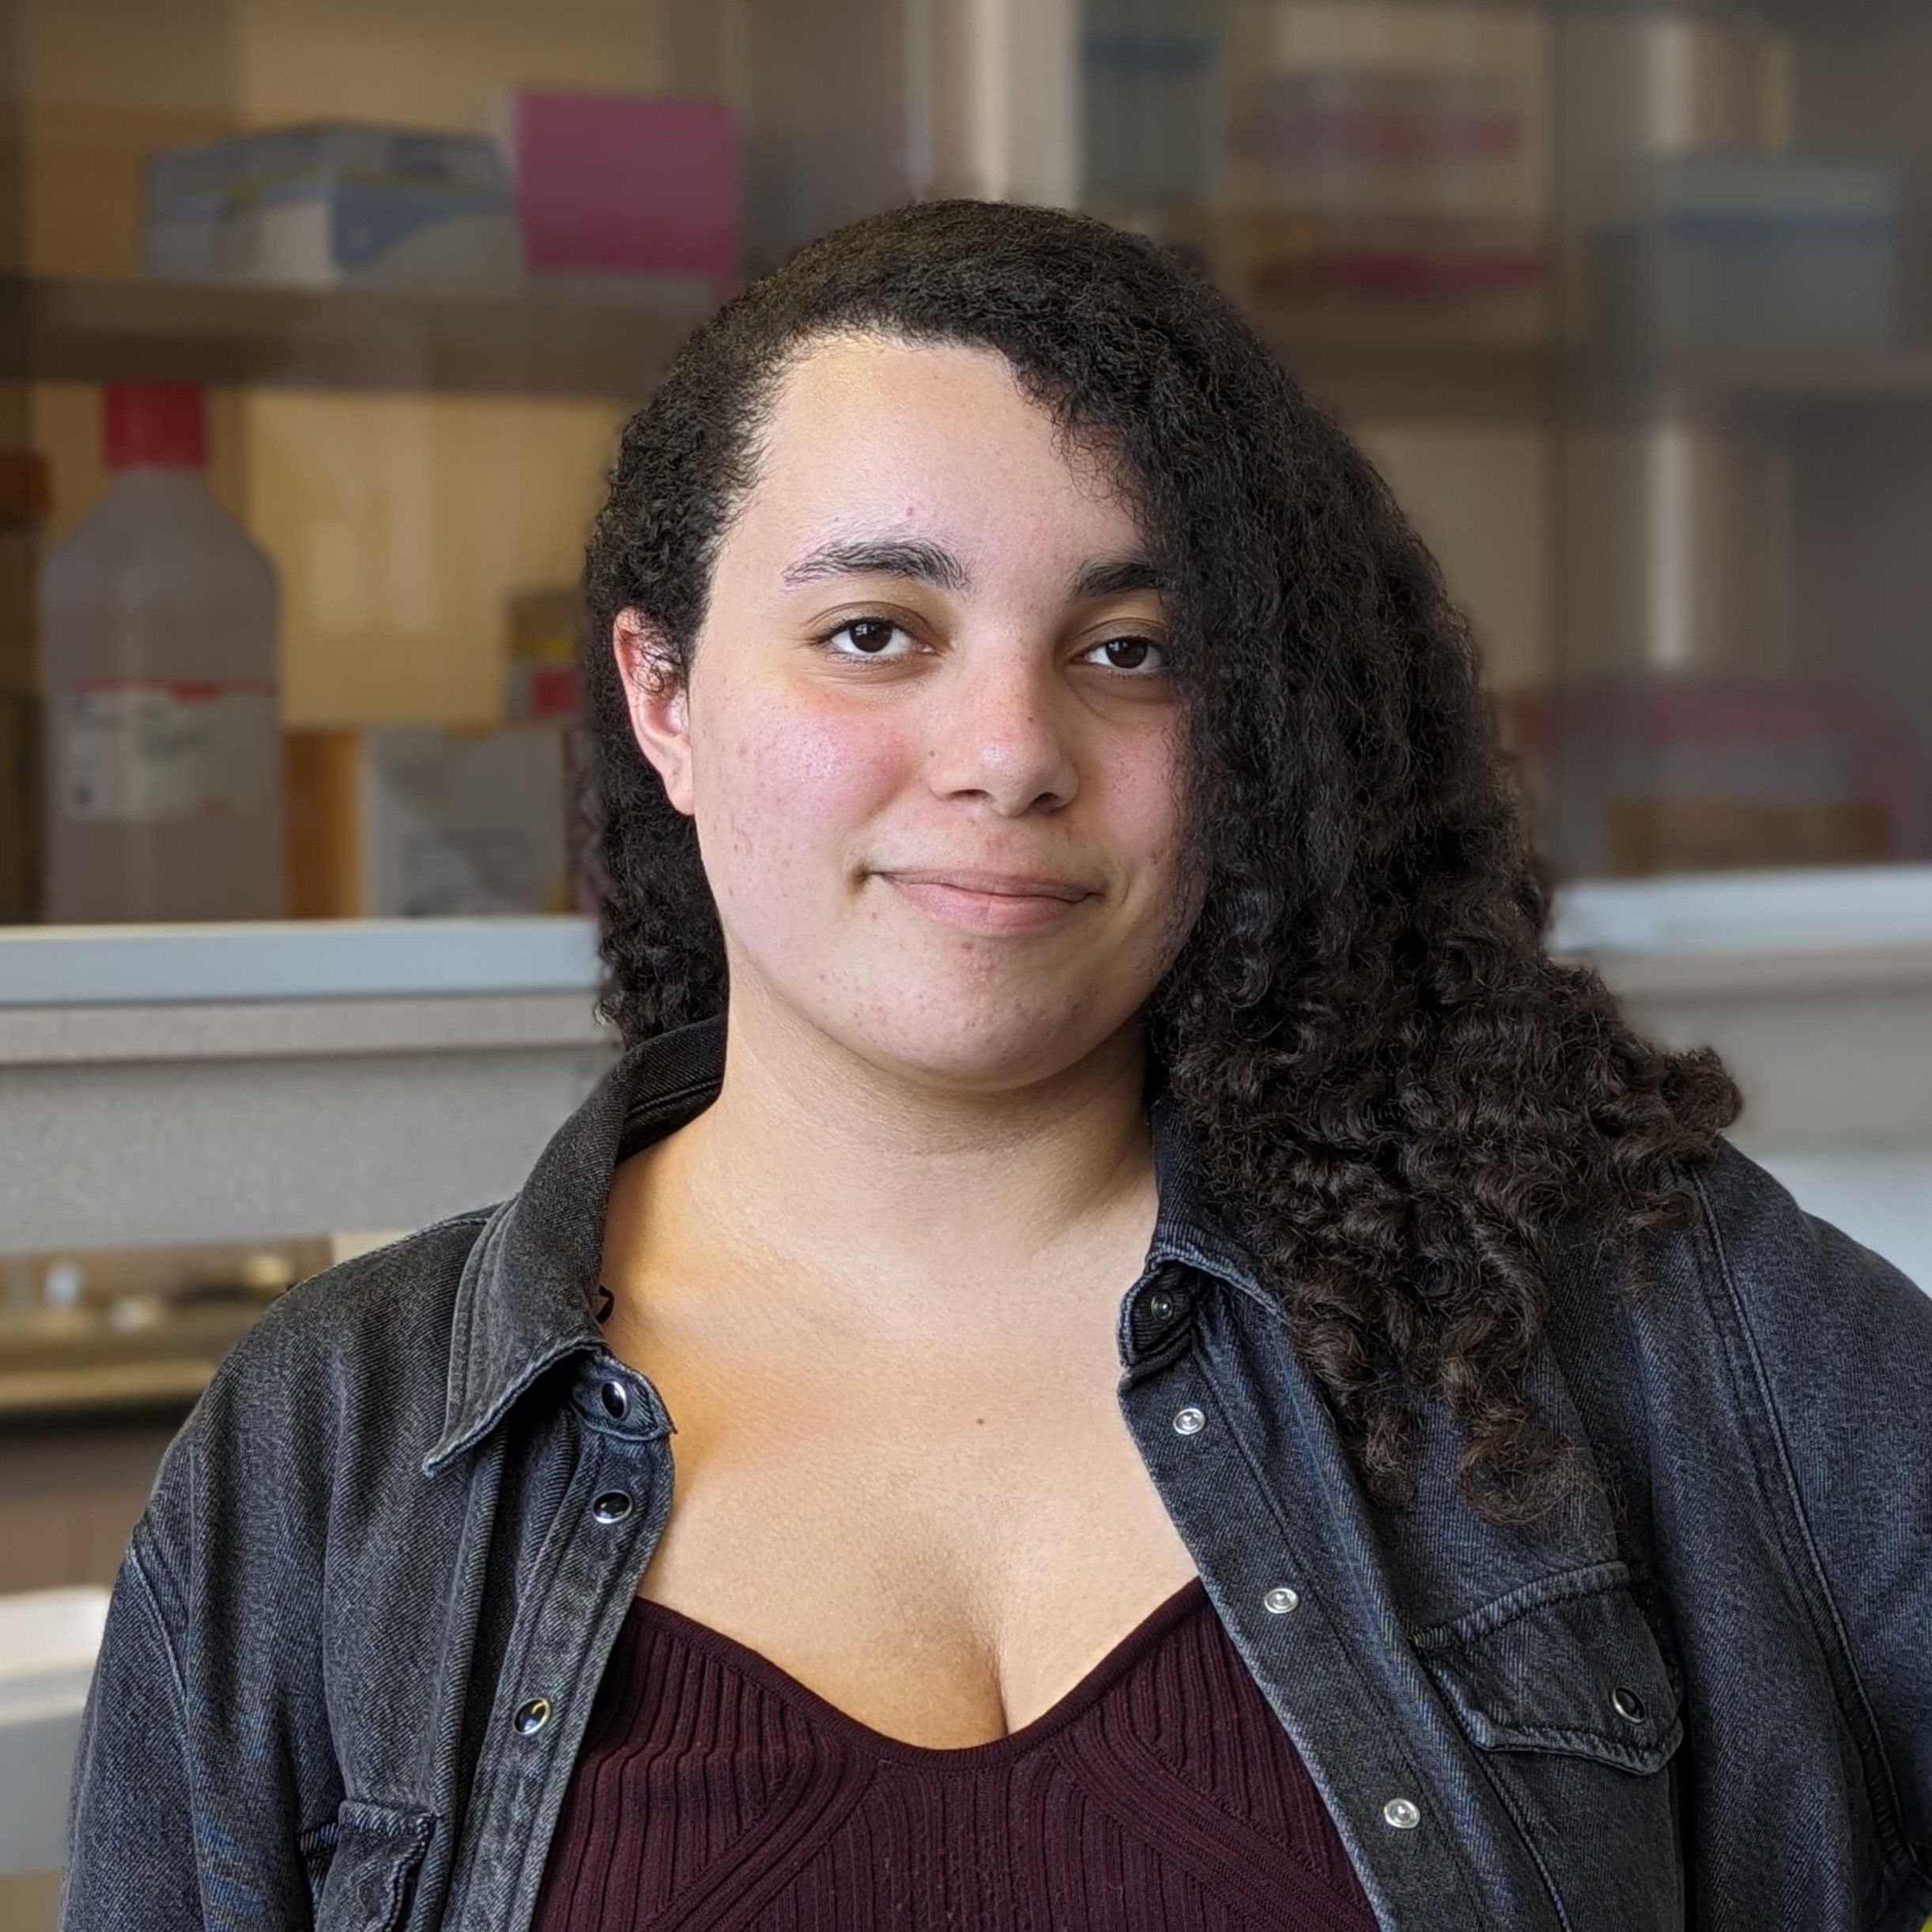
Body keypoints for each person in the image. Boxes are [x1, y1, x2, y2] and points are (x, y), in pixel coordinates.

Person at [60, 199, 1931, 1932]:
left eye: (1129, 650)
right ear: (663, 696)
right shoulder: (327, 1446)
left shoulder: (1623, 1312)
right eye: (876, 633)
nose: (1011, 750)